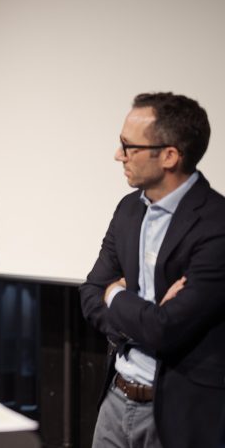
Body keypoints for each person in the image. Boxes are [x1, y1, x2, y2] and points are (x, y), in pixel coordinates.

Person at [79, 92, 225, 448]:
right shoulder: (129, 209)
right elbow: (89, 293)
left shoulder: (216, 224)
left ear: (170, 156)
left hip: (178, 412)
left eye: (129, 146)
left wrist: (116, 294)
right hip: (115, 399)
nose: (119, 155)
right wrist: (143, 316)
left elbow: (166, 330)